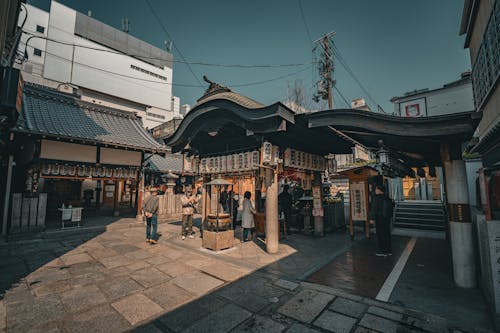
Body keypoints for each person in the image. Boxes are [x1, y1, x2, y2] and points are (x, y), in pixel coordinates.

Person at [369, 184, 394, 256]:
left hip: (379, 218)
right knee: (387, 233)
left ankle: (382, 251)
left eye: (376, 189)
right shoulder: (387, 197)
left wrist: (372, 218)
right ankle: (388, 250)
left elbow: (374, 209)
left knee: (380, 234)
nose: (375, 190)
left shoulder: (376, 198)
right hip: (387, 218)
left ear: (379, 190)